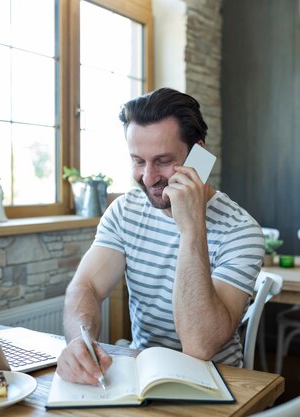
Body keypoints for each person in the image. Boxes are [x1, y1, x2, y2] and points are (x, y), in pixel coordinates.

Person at [56, 87, 264, 386]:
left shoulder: (241, 231)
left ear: (199, 155)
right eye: (138, 161)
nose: (149, 177)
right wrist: (81, 342)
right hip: (144, 378)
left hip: (218, 385)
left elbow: (199, 345)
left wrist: (191, 227)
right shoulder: (125, 211)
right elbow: (85, 285)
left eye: (163, 161)